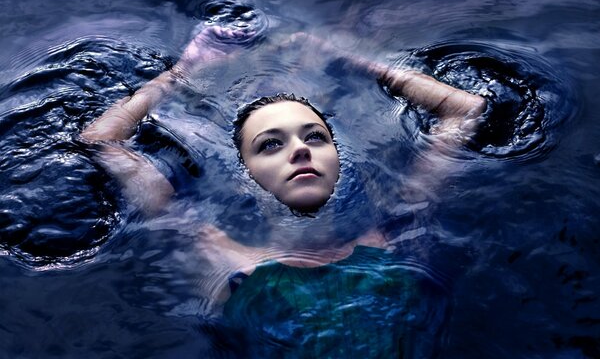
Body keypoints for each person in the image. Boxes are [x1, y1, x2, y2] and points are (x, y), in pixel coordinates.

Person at [81, 24, 486, 357]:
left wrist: (348, 60)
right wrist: (184, 71)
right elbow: (101, 141)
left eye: (315, 137)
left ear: (338, 158)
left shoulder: (398, 232)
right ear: (246, 175)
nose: (300, 149)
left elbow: (464, 110)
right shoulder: (219, 257)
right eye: (270, 144)